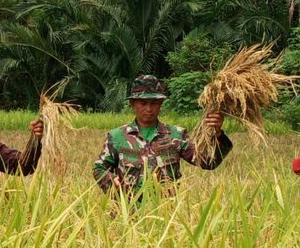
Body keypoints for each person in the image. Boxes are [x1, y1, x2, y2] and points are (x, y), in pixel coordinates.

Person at [93, 74, 232, 198]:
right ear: (132, 104)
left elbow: (207, 162)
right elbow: (99, 168)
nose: (148, 108)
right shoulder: (117, 136)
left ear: (160, 104)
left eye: (154, 103)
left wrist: (217, 134)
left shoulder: (176, 135)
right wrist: (110, 182)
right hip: (128, 214)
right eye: (143, 103)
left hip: (166, 214)